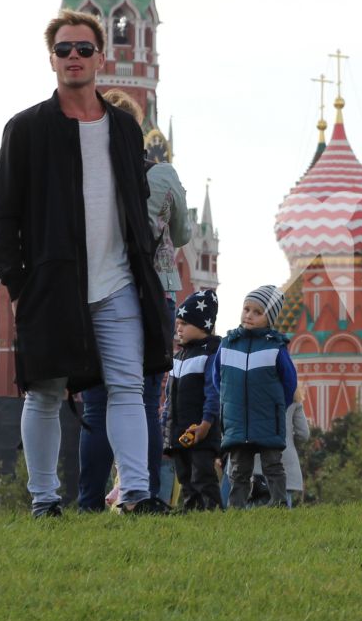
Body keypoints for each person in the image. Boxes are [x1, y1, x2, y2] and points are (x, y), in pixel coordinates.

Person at [0, 9, 173, 516]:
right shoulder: (26, 129)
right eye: (65, 49)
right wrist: (21, 286)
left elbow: (134, 207)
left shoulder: (125, 131)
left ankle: (135, 494)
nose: (74, 57)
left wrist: (143, 272)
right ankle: (44, 499)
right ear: (51, 59)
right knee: (44, 393)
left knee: (128, 387)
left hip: (117, 285)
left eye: (84, 49)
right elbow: (0, 216)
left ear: (101, 57)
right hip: (53, 286)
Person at [77, 91, 190, 510]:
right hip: (154, 290)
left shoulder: (88, 172)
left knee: (95, 404)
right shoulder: (162, 176)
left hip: (94, 288)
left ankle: (88, 500)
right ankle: (141, 497)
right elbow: (182, 235)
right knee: (144, 399)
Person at [206, 286, 300, 508]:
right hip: (237, 417)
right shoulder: (228, 344)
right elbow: (218, 378)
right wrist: (229, 401)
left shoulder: (275, 346)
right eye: (246, 309)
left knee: (272, 464)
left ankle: (278, 502)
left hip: (267, 416)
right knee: (239, 467)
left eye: (257, 312)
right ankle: (236, 506)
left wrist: (276, 405)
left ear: (270, 319)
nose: (249, 315)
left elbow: (289, 382)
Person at [165, 289, 222, 511]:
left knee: (202, 475)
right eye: (177, 323)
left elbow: (212, 393)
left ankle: (212, 509)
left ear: (202, 326)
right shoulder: (177, 358)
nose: (178, 328)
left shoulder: (210, 355)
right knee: (185, 477)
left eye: (183, 323)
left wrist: (206, 423)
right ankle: (191, 511)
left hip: (200, 432)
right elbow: (169, 400)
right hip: (179, 433)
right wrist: (166, 431)